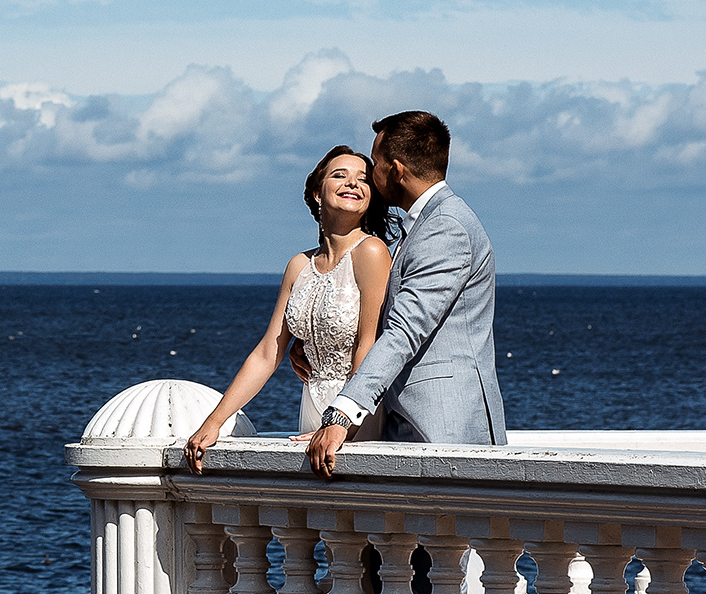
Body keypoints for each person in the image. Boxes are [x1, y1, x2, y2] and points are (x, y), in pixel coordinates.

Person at [305, 110, 506, 476]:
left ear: (396, 170)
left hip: (444, 426)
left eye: (376, 164)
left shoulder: (446, 227)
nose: (372, 173)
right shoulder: (423, 226)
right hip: (407, 423)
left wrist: (342, 412)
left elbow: (406, 329)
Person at [181, 147, 393, 471]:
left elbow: (369, 344)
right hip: (311, 408)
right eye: (340, 175)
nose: (353, 183)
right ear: (316, 193)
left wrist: (342, 424)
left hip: (356, 412)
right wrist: (214, 422)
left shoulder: (372, 252)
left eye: (363, 179)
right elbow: (268, 353)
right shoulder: (299, 266)